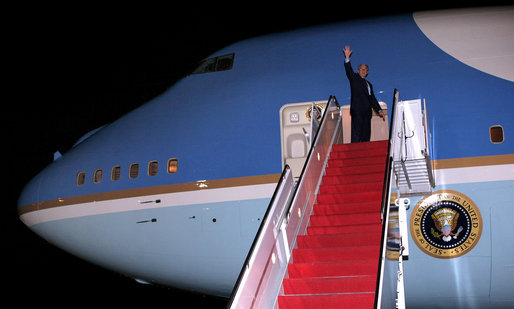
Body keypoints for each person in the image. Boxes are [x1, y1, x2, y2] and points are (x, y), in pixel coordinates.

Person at [343, 45, 384, 143]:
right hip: (357, 110)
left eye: (365, 69)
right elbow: (349, 71)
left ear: (367, 72)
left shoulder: (369, 84)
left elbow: (372, 99)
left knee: (366, 133)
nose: (363, 70)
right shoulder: (355, 79)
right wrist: (347, 58)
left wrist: (379, 110)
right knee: (357, 133)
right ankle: (354, 153)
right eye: (361, 69)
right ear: (358, 71)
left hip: (367, 112)